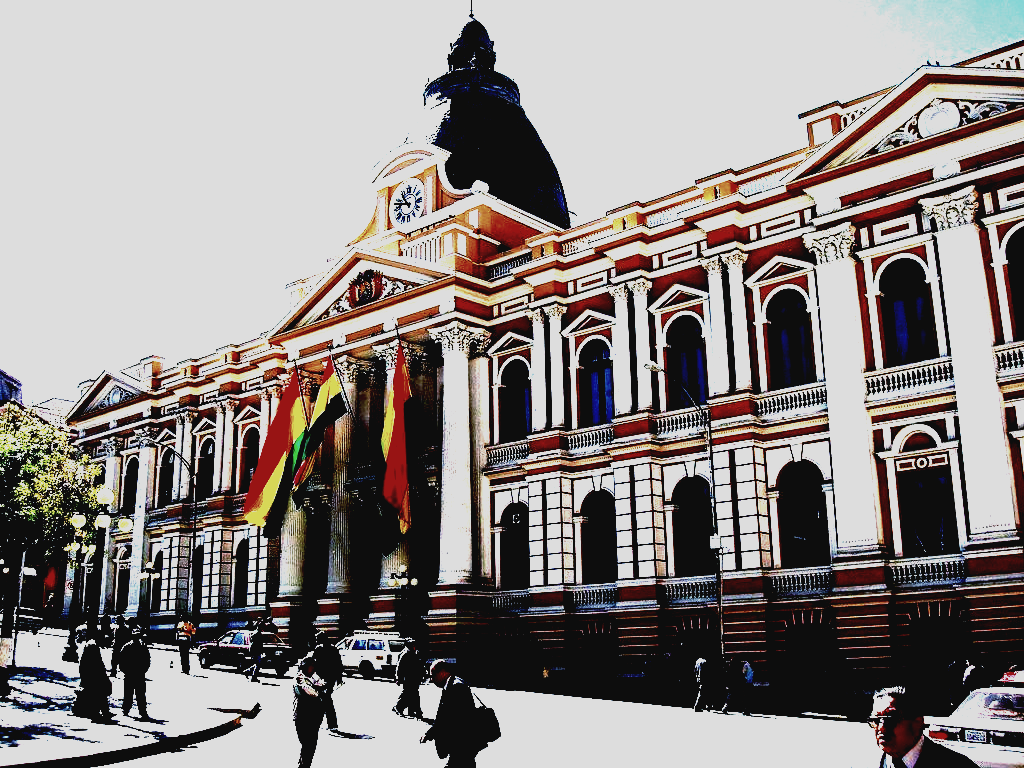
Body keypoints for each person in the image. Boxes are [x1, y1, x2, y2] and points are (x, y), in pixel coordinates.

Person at [868, 686, 979, 767]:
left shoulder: (957, 764)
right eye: (875, 720)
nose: (881, 728)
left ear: (918, 722)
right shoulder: (870, 763)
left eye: (891, 719)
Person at [420, 660, 482, 768]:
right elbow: (443, 716)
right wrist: (429, 734)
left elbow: (451, 719)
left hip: (462, 744)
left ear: (442, 672)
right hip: (462, 745)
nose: (431, 679)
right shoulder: (452, 684)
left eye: (433, 675)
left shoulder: (456, 687)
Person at [293, 654, 328, 768]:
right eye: (310, 666)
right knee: (306, 743)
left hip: (315, 716)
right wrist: (319, 690)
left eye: (314, 665)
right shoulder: (300, 678)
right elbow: (309, 692)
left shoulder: (314, 676)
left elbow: (323, 684)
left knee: (310, 745)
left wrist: (323, 687)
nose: (313, 668)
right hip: (302, 716)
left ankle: (304, 765)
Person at [75, 626, 113, 722]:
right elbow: (97, 664)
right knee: (99, 694)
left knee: (99, 694)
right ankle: (100, 713)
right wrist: (104, 675)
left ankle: (103, 712)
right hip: (94, 676)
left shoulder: (91, 645)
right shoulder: (93, 646)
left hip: (90, 675)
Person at [311, 630, 342, 731]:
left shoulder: (319, 649)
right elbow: (339, 665)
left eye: (317, 639)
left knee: (325, 700)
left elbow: (313, 663)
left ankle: (331, 724)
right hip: (329, 678)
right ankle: (330, 723)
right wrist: (339, 678)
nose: (316, 641)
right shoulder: (333, 649)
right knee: (324, 699)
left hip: (323, 678)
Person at [118, 628, 151, 720]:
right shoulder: (128, 647)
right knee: (130, 694)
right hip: (131, 674)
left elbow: (147, 661)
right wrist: (125, 671)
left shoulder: (141, 646)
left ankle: (142, 711)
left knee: (139, 694)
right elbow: (121, 661)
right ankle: (126, 709)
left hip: (137, 674)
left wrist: (143, 671)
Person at [394, 638, 425, 719]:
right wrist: (398, 678)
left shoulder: (416, 653)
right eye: (412, 645)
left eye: (415, 645)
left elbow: (420, 665)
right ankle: (399, 707)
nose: (414, 646)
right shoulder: (405, 654)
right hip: (408, 678)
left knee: (413, 694)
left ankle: (412, 711)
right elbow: (399, 667)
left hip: (416, 678)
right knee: (408, 694)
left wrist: (423, 674)